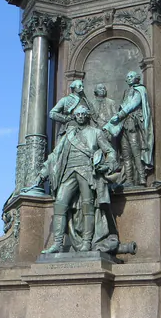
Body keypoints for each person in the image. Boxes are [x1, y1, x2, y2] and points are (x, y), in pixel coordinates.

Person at [31, 106, 118, 254]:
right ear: (74, 117)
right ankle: (58, 244)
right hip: (69, 171)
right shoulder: (68, 135)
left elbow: (110, 151)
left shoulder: (96, 133)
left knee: (87, 206)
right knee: (60, 203)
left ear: (87, 116)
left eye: (83, 114)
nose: (80, 117)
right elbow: (54, 156)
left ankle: (86, 242)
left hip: (87, 172)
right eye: (77, 114)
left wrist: (107, 165)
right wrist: (42, 174)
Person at [108, 71, 154, 186]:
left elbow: (133, 104)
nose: (129, 78)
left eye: (131, 76)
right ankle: (129, 179)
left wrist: (120, 114)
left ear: (137, 78)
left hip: (133, 124)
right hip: (123, 125)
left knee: (136, 151)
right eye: (127, 77)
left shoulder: (139, 90)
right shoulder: (126, 91)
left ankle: (142, 177)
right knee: (126, 153)